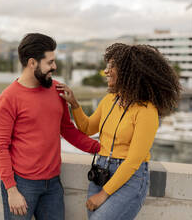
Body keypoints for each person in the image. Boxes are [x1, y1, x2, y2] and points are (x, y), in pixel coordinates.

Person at [57, 43, 181, 220]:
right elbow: (87, 128)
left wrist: (104, 194)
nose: (106, 71)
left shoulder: (146, 111)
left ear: (128, 72)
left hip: (129, 179)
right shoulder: (109, 100)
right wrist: (74, 104)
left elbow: (133, 161)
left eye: (112, 66)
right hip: (101, 171)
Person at [0, 33, 100, 220]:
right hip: (22, 184)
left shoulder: (57, 90)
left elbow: (67, 130)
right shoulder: (8, 99)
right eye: (50, 62)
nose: (54, 67)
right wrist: (12, 190)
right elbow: (0, 147)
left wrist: (101, 149)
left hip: (53, 184)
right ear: (32, 63)